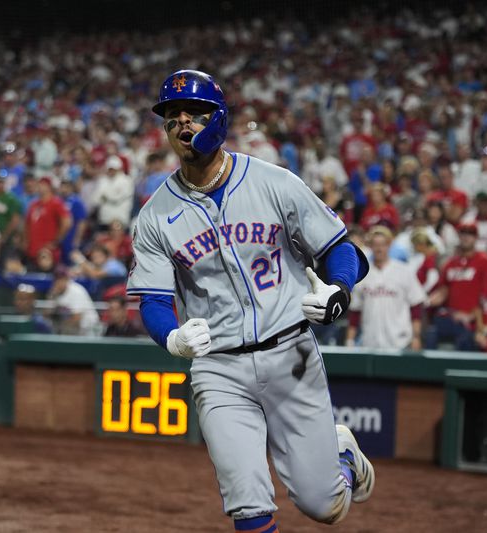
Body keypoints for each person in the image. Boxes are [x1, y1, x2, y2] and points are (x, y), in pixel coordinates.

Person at [126, 69, 374, 531]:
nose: (183, 124)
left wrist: (338, 290)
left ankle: (341, 455)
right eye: (172, 117)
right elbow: (154, 300)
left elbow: (341, 249)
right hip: (219, 368)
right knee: (247, 502)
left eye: (194, 115)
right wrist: (173, 338)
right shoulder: (156, 215)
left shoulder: (272, 182)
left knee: (324, 506)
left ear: (217, 119)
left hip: (290, 353)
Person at [346, 226, 426, 350]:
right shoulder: (362, 274)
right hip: (370, 342)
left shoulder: (404, 271)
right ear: (370, 246)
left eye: (383, 244)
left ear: (389, 245)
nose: (379, 249)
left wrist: (416, 337)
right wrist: (350, 340)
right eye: (375, 244)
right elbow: (355, 311)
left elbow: (416, 306)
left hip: (400, 342)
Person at [427, 222, 487, 350]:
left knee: (465, 340)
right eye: (463, 233)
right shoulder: (451, 263)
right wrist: (430, 300)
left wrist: (471, 316)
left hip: (473, 322)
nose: (466, 237)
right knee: (431, 334)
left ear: (476, 238)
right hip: (452, 319)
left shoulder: (484, 262)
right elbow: (443, 290)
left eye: (470, 234)